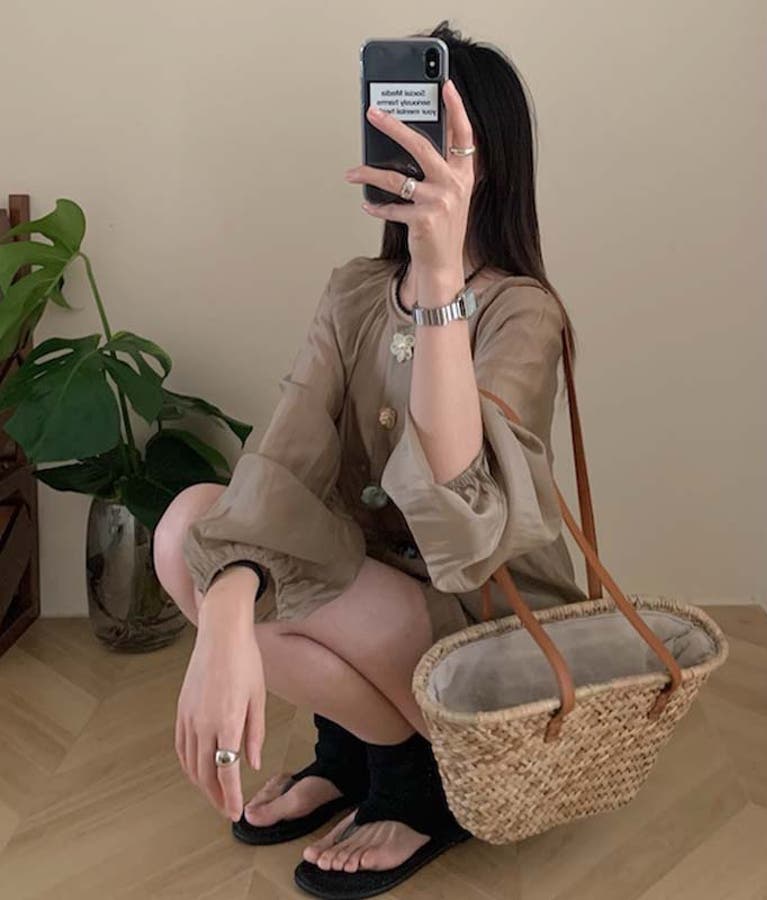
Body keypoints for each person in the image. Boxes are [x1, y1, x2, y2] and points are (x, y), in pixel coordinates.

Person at [152, 20, 587, 900]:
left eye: (433, 136)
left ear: (486, 161)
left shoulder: (523, 313)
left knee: (268, 574)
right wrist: (222, 622)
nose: (407, 152)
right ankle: (356, 753)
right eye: (394, 124)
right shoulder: (353, 291)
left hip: (483, 627)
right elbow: (283, 458)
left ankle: (416, 783)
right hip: (367, 601)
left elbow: (463, 522)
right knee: (187, 528)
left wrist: (439, 280)